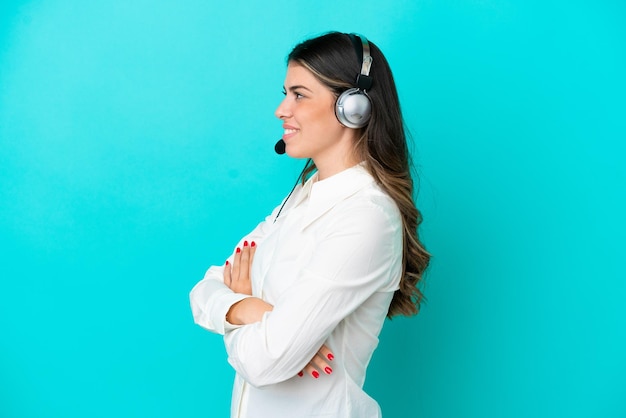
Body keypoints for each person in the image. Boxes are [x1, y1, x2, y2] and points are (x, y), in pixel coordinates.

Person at [189, 31, 430, 418]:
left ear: (354, 107)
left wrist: (237, 316)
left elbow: (264, 363)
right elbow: (203, 291)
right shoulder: (304, 195)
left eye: (299, 95)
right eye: (285, 93)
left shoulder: (366, 219)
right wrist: (249, 309)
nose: (281, 110)